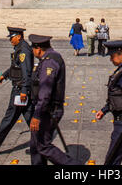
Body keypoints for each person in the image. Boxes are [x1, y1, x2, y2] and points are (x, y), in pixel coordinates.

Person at [0, 27, 34, 156]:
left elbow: (26, 72)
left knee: (9, 119)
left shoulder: (23, 49)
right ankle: (41, 145)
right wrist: (4, 75)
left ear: (19, 36)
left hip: (20, 90)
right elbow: (16, 66)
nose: (10, 40)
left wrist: (24, 90)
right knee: (31, 119)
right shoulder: (19, 48)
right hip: (22, 89)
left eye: (12, 37)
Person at [28, 34, 77, 165]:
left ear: (38, 48)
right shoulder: (49, 58)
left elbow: (45, 91)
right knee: (36, 145)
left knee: (43, 145)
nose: (33, 52)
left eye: (33, 49)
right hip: (47, 108)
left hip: (48, 110)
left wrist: (37, 115)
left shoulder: (50, 61)